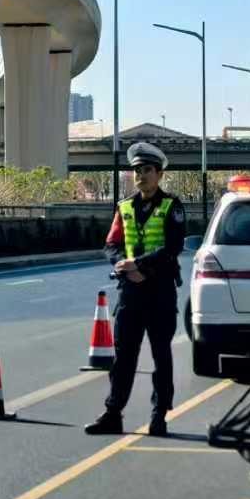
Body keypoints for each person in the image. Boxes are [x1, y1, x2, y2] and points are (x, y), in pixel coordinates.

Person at [85, 142, 185, 437]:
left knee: (160, 356)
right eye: (137, 171)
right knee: (124, 356)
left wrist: (138, 265)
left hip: (161, 292)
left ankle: (159, 416)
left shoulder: (172, 206)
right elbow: (111, 244)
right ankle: (113, 413)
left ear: (159, 174)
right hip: (131, 293)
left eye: (148, 170)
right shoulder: (124, 207)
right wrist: (121, 264)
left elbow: (173, 247)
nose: (141, 176)